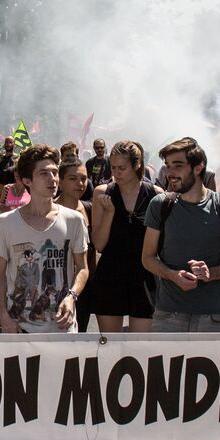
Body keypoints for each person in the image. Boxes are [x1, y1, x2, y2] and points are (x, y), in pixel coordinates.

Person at [141, 137, 220, 333]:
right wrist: (173, 275)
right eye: (168, 166)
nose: (170, 173)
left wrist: (211, 273)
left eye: (177, 166)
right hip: (168, 314)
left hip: (210, 315)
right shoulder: (160, 204)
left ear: (198, 167)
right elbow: (147, 258)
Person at [0, 144, 88, 334]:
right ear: (27, 180)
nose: (52, 179)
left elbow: (82, 268)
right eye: (44, 173)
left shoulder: (74, 220)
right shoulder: (5, 223)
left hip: (62, 328)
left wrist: (71, 297)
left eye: (54, 172)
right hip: (19, 328)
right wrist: (3, 315)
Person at [84, 140, 161, 332]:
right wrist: (110, 212)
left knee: (141, 346)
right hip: (111, 273)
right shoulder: (103, 192)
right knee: (110, 344)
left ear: (137, 165)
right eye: (113, 167)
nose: (116, 173)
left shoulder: (155, 195)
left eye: (122, 168)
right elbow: (99, 244)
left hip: (144, 274)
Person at [56, 156, 96, 331]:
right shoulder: (50, 210)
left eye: (83, 179)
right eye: (73, 178)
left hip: (85, 287)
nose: (80, 183)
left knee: (80, 338)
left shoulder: (90, 209)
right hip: (56, 287)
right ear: (60, 181)